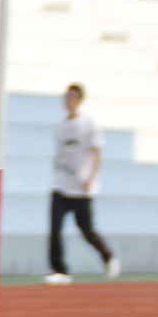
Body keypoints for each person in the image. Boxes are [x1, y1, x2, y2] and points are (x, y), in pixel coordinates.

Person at [44, 82, 120, 285]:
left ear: (80, 99)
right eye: (67, 96)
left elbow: (97, 153)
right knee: (55, 228)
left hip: (81, 188)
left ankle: (108, 256)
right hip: (60, 184)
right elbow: (60, 153)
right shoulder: (59, 126)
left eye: (74, 96)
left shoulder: (89, 124)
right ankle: (60, 270)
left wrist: (91, 177)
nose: (69, 100)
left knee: (86, 229)